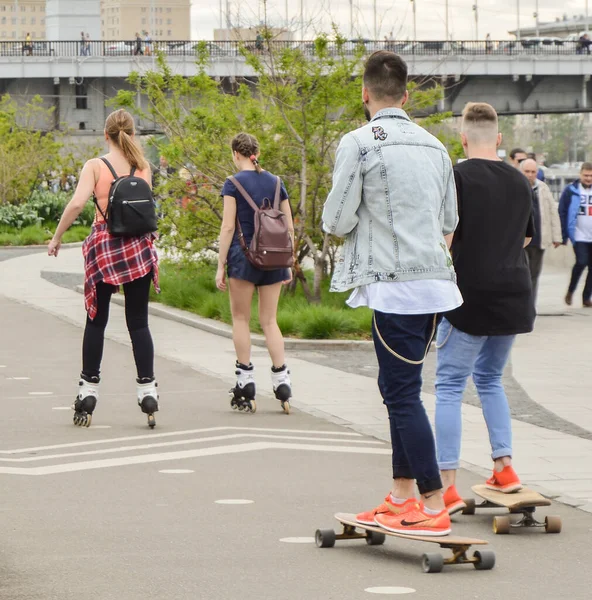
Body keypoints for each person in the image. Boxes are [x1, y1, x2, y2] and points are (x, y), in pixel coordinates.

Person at [323, 51, 461, 537]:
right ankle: (401, 495)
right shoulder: (436, 146)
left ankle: (432, 501)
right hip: (436, 286)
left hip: (393, 286)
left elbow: (335, 220)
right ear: (406, 96)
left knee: (401, 394)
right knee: (399, 390)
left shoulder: (359, 143)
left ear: (365, 94)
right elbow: (450, 223)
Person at [434, 103, 535, 515]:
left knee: (449, 385)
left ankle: (446, 486)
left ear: (462, 139)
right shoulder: (520, 180)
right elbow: (527, 240)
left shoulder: (455, 177)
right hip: (514, 292)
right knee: (491, 378)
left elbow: (446, 238)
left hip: (469, 295)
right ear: (497, 138)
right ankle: (504, 466)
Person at [47, 109, 160, 428]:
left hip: (105, 248)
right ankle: (148, 391)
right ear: (133, 134)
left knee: (96, 322)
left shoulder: (95, 166)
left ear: (105, 135)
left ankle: (88, 393)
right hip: (138, 249)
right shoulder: (143, 167)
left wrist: (57, 237)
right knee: (139, 323)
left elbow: (77, 204)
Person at [216, 133, 294, 413]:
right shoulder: (276, 182)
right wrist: (289, 261)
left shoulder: (232, 184)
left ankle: (246, 382)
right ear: (255, 152)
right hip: (275, 259)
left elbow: (227, 228)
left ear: (236, 154)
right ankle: (282, 381)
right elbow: (288, 226)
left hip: (244, 260)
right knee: (270, 321)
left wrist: (220, 264)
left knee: (241, 318)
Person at [521, 158, 562, 304]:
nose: (530, 175)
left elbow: (552, 212)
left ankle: (530, 306)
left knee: (534, 275)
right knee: (523, 275)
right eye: (527, 171)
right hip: (521, 242)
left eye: (533, 172)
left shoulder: (543, 188)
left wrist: (557, 236)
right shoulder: (516, 187)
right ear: (521, 171)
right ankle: (522, 305)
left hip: (539, 240)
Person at [559, 162, 592, 307]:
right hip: (578, 235)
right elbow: (562, 212)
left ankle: (586, 298)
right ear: (580, 174)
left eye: (591, 176)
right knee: (581, 262)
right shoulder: (570, 190)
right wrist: (563, 235)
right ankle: (571, 291)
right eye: (586, 175)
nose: (588, 178)